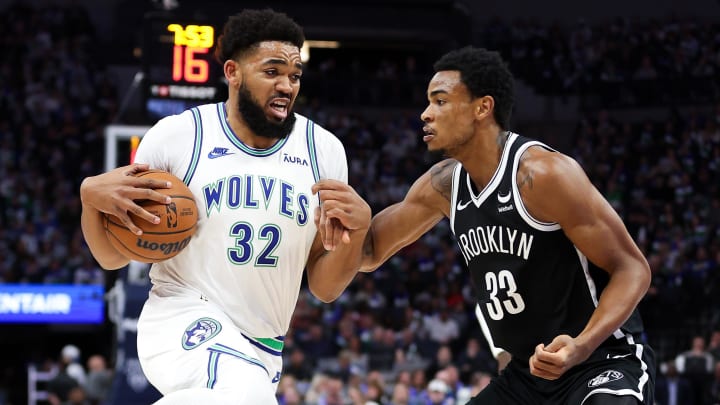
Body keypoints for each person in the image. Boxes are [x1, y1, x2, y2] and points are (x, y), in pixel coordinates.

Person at [314, 46, 656, 404]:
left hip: (600, 362)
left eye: (440, 101)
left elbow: (632, 268)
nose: (425, 114)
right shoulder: (442, 185)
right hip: (525, 376)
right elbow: (368, 251)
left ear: (482, 107)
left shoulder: (543, 175)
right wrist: (356, 219)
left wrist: (582, 346)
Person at [79, 8, 370, 404]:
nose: (286, 85)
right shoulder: (178, 137)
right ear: (233, 72)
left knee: (249, 394)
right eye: (272, 72)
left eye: (295, 75)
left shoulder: (325, 152)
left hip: (263, 347)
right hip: (178, 319)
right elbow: (112, 257)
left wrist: (359, 232)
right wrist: (89, 200)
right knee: (246, 393)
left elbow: (324, 286)